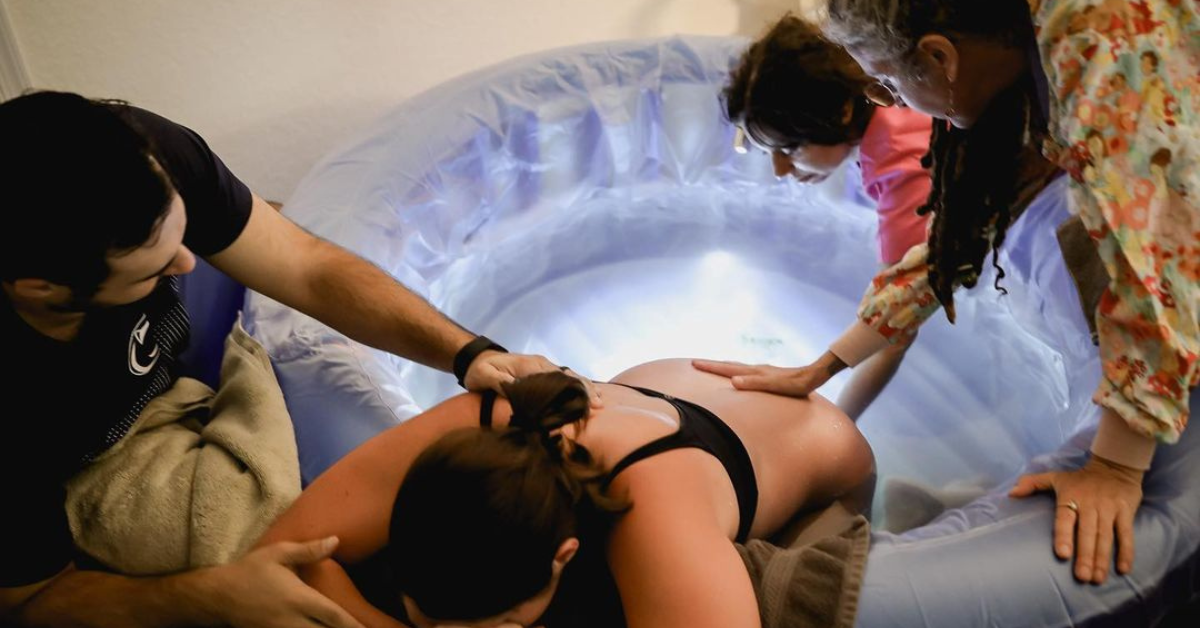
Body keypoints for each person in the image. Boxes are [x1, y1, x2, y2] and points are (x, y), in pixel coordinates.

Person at [0, 91, 594, 628]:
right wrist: (210, 596)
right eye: (154, 269)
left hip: (163, 401)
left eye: (184, 239)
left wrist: (468, 353)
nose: (188, 265)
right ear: (41, 289)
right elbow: (31, 602)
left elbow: (306, 266)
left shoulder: (141, 161)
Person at [706, 0, 1199, 586]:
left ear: (940, 56)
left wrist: (1115, 468)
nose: (887, 103)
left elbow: (1161, 251)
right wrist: (824, 365)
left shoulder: (1101, 50)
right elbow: (950, 243)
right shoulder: (1018, 52)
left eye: (887, 84)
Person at [257, 360, 876, 627]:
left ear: (564, 556)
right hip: (661, 383)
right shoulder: (480, 420)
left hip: (821, 452)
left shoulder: (656, 516)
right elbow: (284, 560)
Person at [711, 14, 933, 419]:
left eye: (790, 147)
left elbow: (896, 321)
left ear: (843, 111)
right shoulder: (881, 81)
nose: (779, 169)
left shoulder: (902, 166)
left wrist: (835, 421)